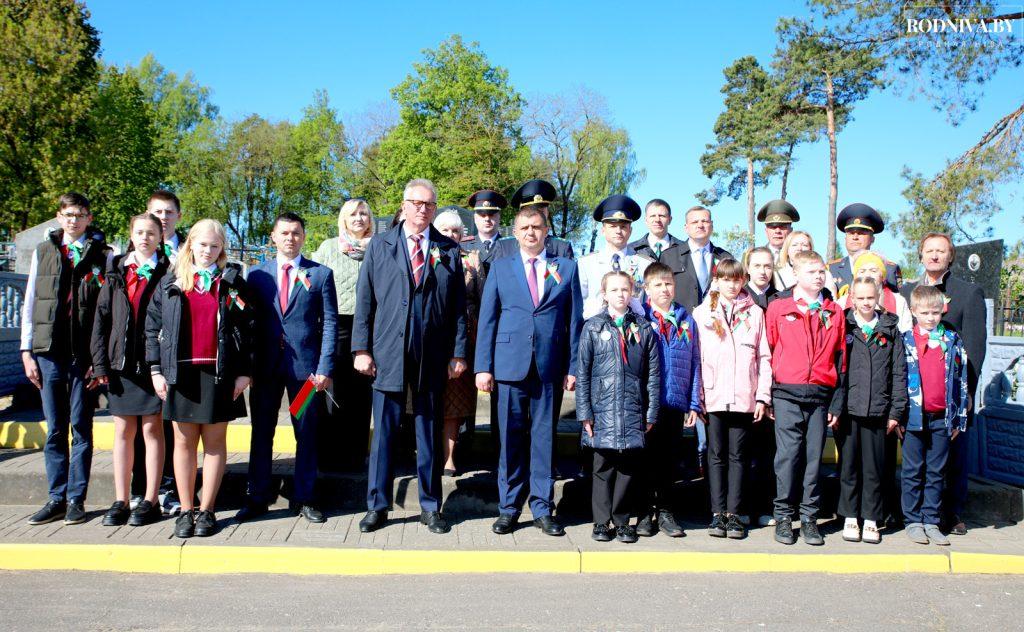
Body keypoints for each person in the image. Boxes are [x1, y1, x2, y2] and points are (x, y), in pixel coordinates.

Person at [353, 179, 467, 535]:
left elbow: (459, 309)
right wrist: (361, 348)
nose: (422, 209)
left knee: (428, 434)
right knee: (384, 433)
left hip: (431, 355)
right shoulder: (380, 245)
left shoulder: (448, 249)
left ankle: (430, 507)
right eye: (416, 203)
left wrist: (458, 352)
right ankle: (378, 505)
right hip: (387, 352)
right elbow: (364, 301)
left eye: (429, 204)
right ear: (403, 206)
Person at [475, 205, 583, 537]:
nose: (530, 233)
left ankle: (541, 507)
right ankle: (508, 508)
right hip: (509, 366)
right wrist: (483, 366)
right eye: (524, 228)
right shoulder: (500, 268)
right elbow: (488, 319)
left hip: (549, 366)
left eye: (536, 227)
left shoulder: (565, 267)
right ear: (516, 232)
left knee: (543, 441)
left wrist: (573, 365)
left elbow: (574, 321)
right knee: (509, 441)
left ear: (546, 230)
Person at [146, 219, 253, 538]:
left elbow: (248, 329)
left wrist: (244, 372)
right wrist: (155, 369)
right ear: (190, 243)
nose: (208, 251)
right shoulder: (170, 282)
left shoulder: (232, 283)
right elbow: (152, 329)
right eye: (203, 244)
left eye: (215, 246)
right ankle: (185, 509)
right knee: (183, 443)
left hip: (219, 374)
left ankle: (207, 510)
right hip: (181, 374)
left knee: (215, 443)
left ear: (222, 249)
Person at [236, 212, 337, 524]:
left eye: (296, 233)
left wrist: (324, 367)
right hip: (265, 370)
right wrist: (247, 365)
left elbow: (330, 324)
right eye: (284, 233)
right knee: (261, 432)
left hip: (305, 372)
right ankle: (257, 498)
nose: (290, 238)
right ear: (273, 237)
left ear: (303, 237)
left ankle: (305, 497)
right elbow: (246, 324)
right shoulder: (257, 277)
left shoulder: (320, 274)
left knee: (305, 432)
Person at [22, 192, 112, 526]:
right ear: (59, 217)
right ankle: (55, 497)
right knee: (56, 429)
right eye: (68, 214)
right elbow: (30, 300)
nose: (74, 220)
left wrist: (98, 359)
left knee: (81, 427)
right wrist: (26, 351)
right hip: (48, 353)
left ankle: (77, 498)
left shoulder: (104, 255)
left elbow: (107, 311)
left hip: (83, 356)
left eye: (80, 214)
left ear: (89, 218)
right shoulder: (44, 251)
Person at [900, 232, 987, 536]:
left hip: (951, 395)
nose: (935, 256)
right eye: (929, 251)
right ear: (921, 255)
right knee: (916, 463)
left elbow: (975, 348)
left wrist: (965, 395)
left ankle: (950, 512)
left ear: (950, 256)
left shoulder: (967, 292)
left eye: (941, 251)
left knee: (951, 456)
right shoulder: (907, 291)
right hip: (915, 397)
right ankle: (913, 515)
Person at [91, 213, 171, 527]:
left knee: (152, 431)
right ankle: (121, 499)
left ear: (160, 237)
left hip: (153, 366)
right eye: (140, 232)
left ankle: (150, 499)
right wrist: (100, 364)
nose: (145, 238)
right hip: (120, 365)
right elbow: (101, 320)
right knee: (123, 431)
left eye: (151, 233)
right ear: (131, 234)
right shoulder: (116, 272)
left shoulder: (169, 272)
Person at [766, 250, 846, 546]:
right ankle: (784, 516)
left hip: (820, 395)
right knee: (788, 456)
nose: (818, 276)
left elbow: (841, 359)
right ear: (796, 275)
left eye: (821, 271)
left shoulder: (834, 311)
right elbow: (770, 350)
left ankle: (810, 517)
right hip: (787, 392)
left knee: (813, 458)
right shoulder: (778, 308)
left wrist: (836, 400)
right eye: (811, 271)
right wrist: (769, 394)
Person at [577, 271, 660, 543]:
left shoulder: (644, 328)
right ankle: (601, 522)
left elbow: (653, 375)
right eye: (614, 290)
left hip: (632, 410)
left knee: (627, 469)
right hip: (601, 411)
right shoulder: (593, 327)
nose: (620, 294)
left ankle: (622, 520)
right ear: (604, 294)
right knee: (603, 468)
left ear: (633, 293)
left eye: (625, 289)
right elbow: (584, 372)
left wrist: (651, 412)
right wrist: (584, 412)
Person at [692, 259, 772, 540]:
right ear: (717, 280)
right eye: (726, 279)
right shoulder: (703, 313)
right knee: (715, 455)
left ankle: (734, 514)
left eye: (737, 280)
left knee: (739, 456)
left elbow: (764, 356)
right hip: (713, 396)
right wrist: (697, 397)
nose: (732, 285)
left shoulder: (756, 313)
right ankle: (717, 513)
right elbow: (696, 358)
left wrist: (762, 395)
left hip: (743, 395)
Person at [835, 276, 908, 544]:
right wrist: (836, 406)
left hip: (879, 412)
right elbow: (836, 369)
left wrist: (895, 412)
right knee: (849, 467)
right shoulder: (844, 325)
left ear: (878, 297)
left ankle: (871, 519)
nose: (866, 303)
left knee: (874, 469)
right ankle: (850, 517)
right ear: (852, 297)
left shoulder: (890, 329)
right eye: (860, 298)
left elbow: (899, 373)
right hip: (849, 410)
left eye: (870, 297)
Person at [900, 285, 968, 546]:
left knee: (936, 471)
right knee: (913, 470)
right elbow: (898, 379)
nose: (931, 317)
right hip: (913, 417)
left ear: (943, 311)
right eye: (925, 312)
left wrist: (959, 418)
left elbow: (961, 381)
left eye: (936, 312)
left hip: (942, 417)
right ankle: (913, 520)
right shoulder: (905, 340)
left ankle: (931, 519)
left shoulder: (952, 341)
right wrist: (898, 415)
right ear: (914, 311)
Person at [639, 262, 702, 538]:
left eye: (668, 284)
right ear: (646, 289)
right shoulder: (640, 319)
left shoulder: (685, 319)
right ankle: (643, 511)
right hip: (647, 403)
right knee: (644, 459)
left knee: (668, 460)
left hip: (675, 400)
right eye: (658, 284)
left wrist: (693, 403)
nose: (664, 289)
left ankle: (665, 511)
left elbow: (696, 362)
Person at [313, 198, 375, 472]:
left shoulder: (379, 247)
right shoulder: (328, 247)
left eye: (363, 213)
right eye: (353, 214)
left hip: (367, 327)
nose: (358, 218)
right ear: (343, 219)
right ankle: (327, 454)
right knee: (331, 389)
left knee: (361, 393)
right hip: (334, 325)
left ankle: (356, 455)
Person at [140, 189, 186, 516]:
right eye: (157, 212)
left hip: (177, 356)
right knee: (143, 426)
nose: (163, 217)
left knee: (172, 425)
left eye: (169, 212)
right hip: (139, 352)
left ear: (178, 216)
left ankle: (169, 489)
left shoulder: (190, 252)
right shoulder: (132, 253)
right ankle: (143, 491)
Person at [433, 208, 484, 476]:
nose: (451, 235)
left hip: (465, 339)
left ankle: (450, 458)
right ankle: (429, 454)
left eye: (456, 231)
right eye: (445, 230)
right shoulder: (428, 258)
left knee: (455, 402)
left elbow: (484, 298)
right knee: (431, 399)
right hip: (432, 337)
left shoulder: (471, 260)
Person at [578, 195, 652, 318]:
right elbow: (579, 302)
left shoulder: (644, 264)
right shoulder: (586, 263)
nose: (618, 231)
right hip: (595, 330)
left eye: (623, 226)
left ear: (630, 231)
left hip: (634, 330)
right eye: (612, 226)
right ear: (603, 230)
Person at [661, 206, 733, 314]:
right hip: (681, 323)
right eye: (695, 222)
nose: (700, 225)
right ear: (686, 227)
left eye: (704, 221)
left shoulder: (725, 258)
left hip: (716, 323)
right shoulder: (668, 256)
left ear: (711, 225)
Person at [828, 203, 902, 297]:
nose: (855, 237)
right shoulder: (831, 269)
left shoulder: (889, 269)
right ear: (845, 238)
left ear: (872, 239)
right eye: (851, 233)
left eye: (861, 233)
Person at [493, 179, 574, 260]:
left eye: (541, 212)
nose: (537, 217)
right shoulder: (504, 247)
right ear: (521, 214)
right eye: (532, 212)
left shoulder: (562, 248)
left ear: (547, 213)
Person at [838, 252, 912, 332]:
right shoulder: (842, 303)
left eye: (873, 271)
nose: (867, 275)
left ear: (882, 276)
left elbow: (906, 333)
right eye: (862, 271)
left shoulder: (899, 301)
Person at [774, 231, 838, 297]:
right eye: (794, 245)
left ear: (810, 249)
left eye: (804, 245)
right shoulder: (777, 275)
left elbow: (832, 301)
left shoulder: (824, 275)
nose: (799, 249)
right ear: (787, 249)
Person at [461, 189, 507, 279]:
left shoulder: (509, 247)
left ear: (499, 217)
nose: (487, 219)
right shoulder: (463, 246)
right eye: (482, 215)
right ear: (475, 218)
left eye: (491, 215)